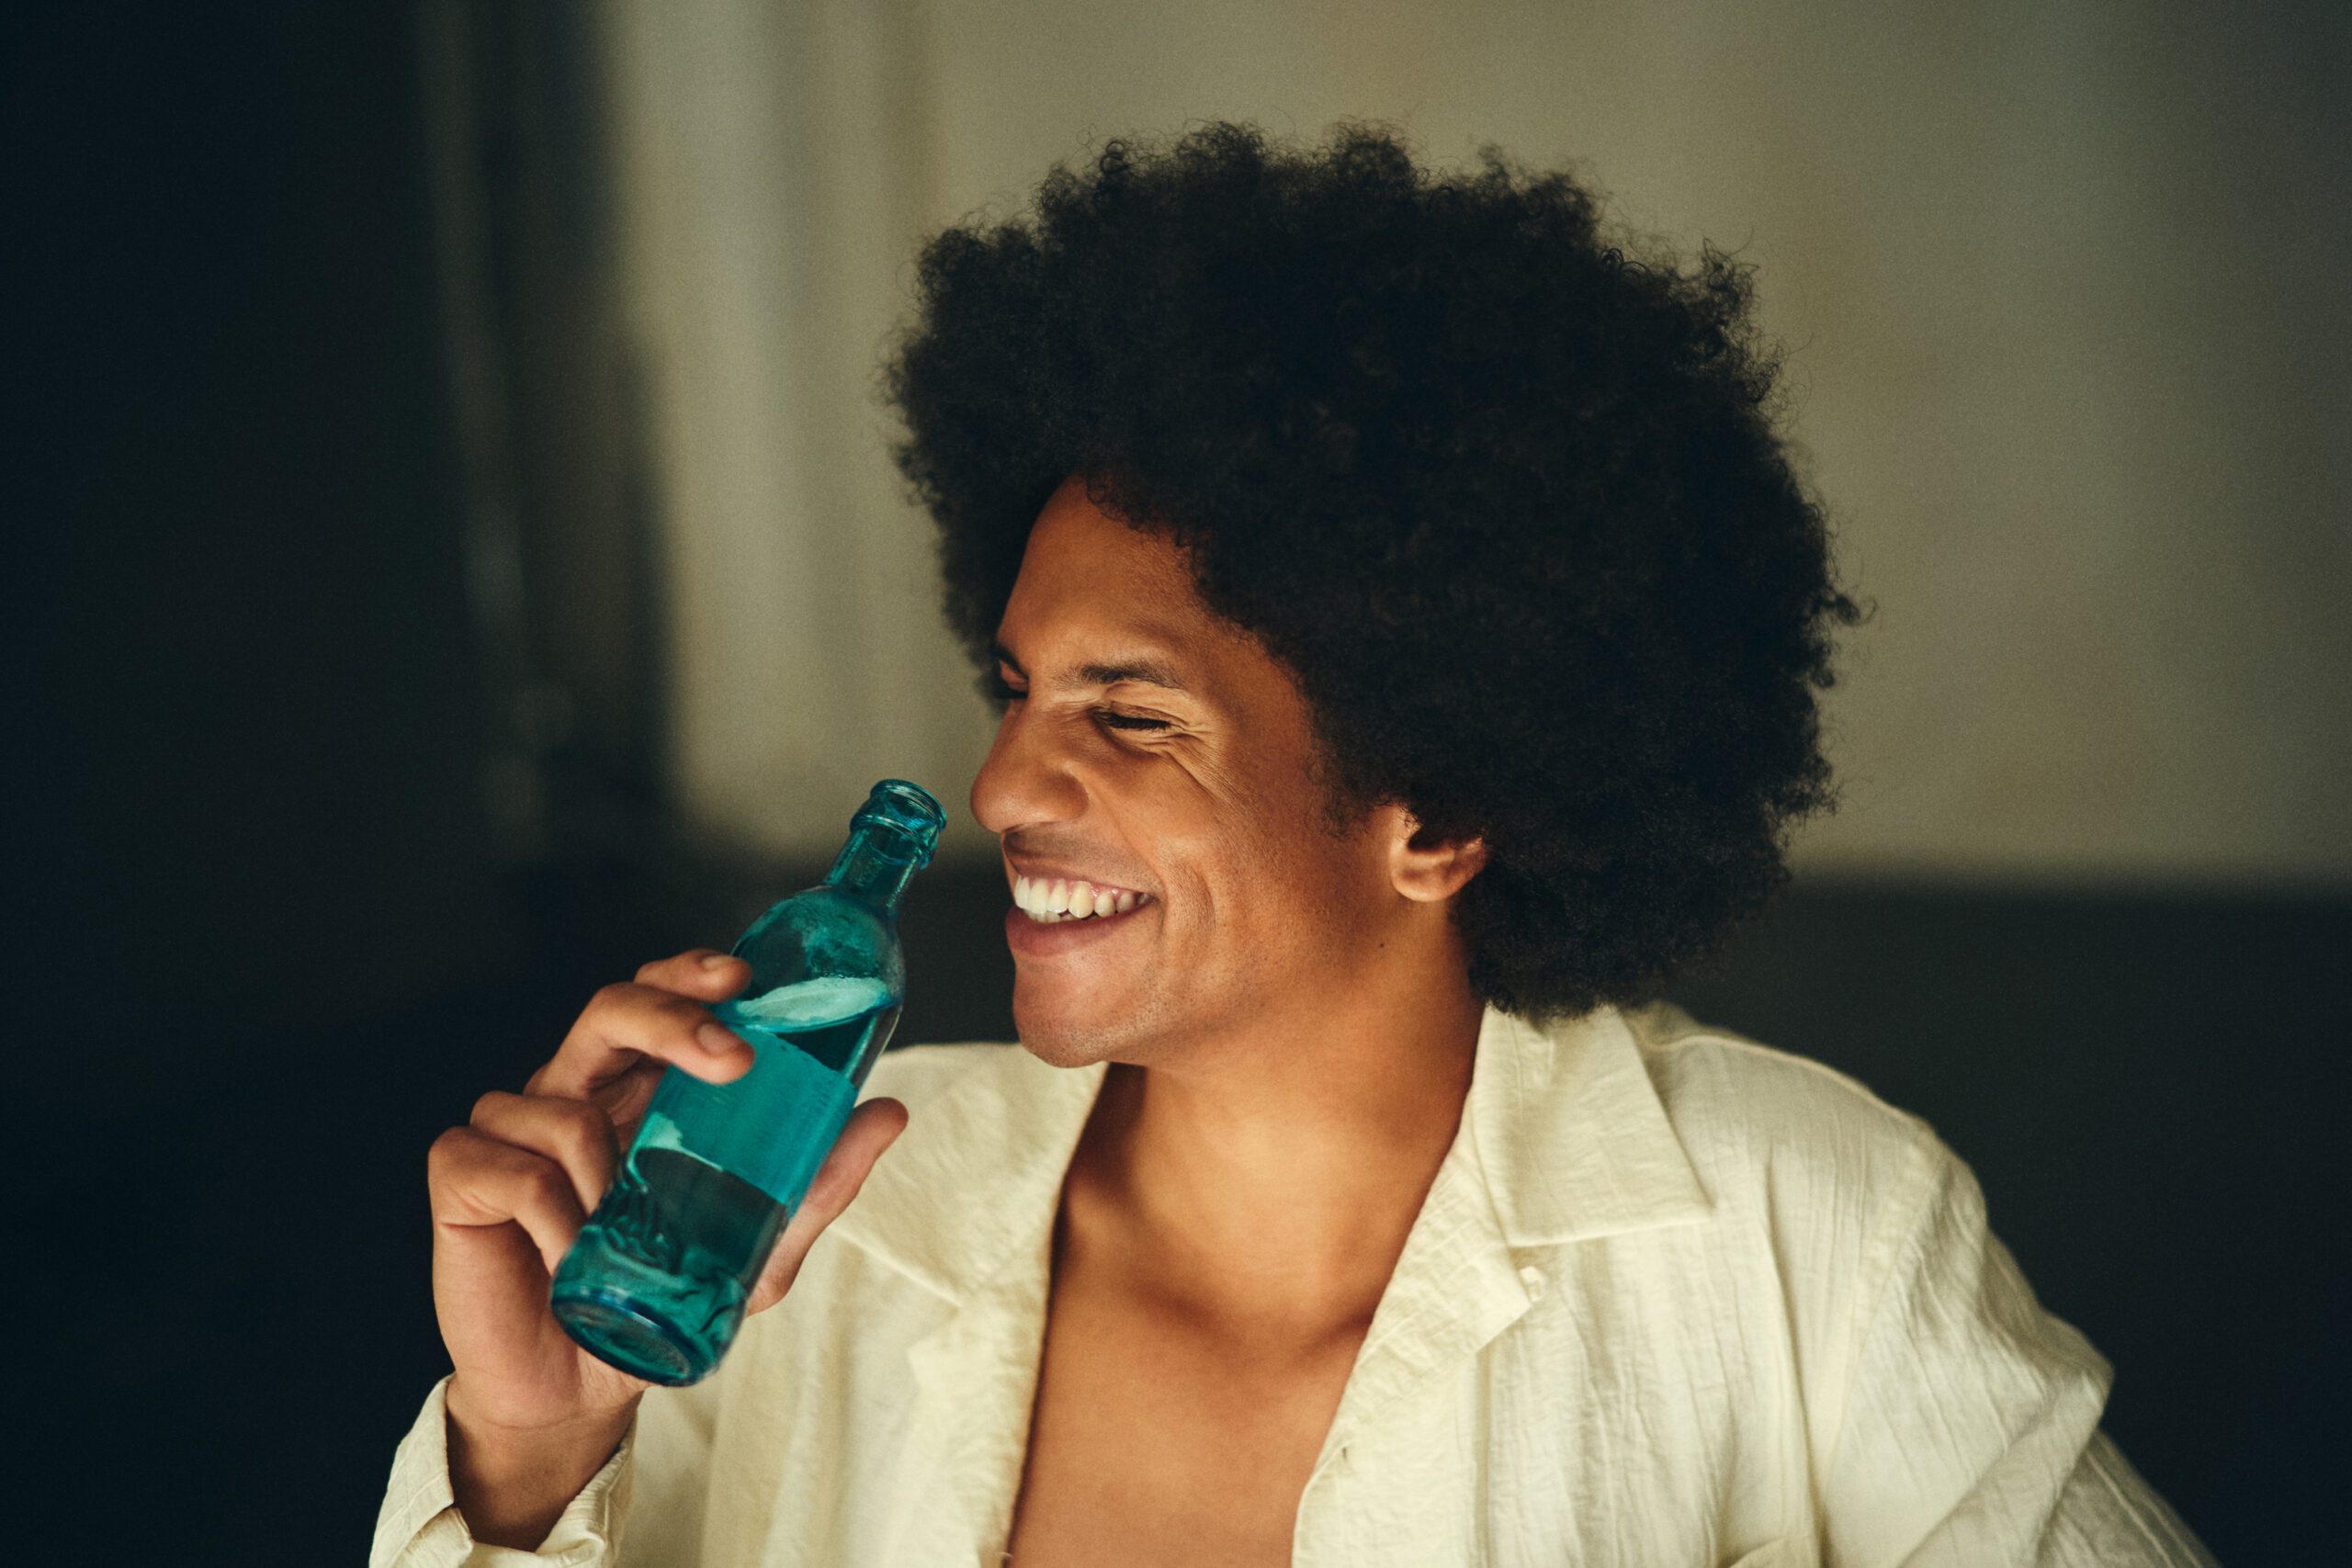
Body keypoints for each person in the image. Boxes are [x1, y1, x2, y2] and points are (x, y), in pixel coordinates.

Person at [373, 121, 2218, 1566]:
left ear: (1443, 812)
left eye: (1130, 711)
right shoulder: (787, 1223)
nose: (1003, 784)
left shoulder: (1803, 1228)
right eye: (1013, 687)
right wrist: (532, 1461)